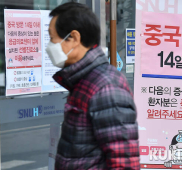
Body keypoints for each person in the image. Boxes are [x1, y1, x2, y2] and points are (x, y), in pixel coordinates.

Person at [46, 2, 140, 170]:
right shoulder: (84, 80)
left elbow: (124, 163)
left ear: (73, 38)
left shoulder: (106, 87)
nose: (49, 46)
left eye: (53, 39)